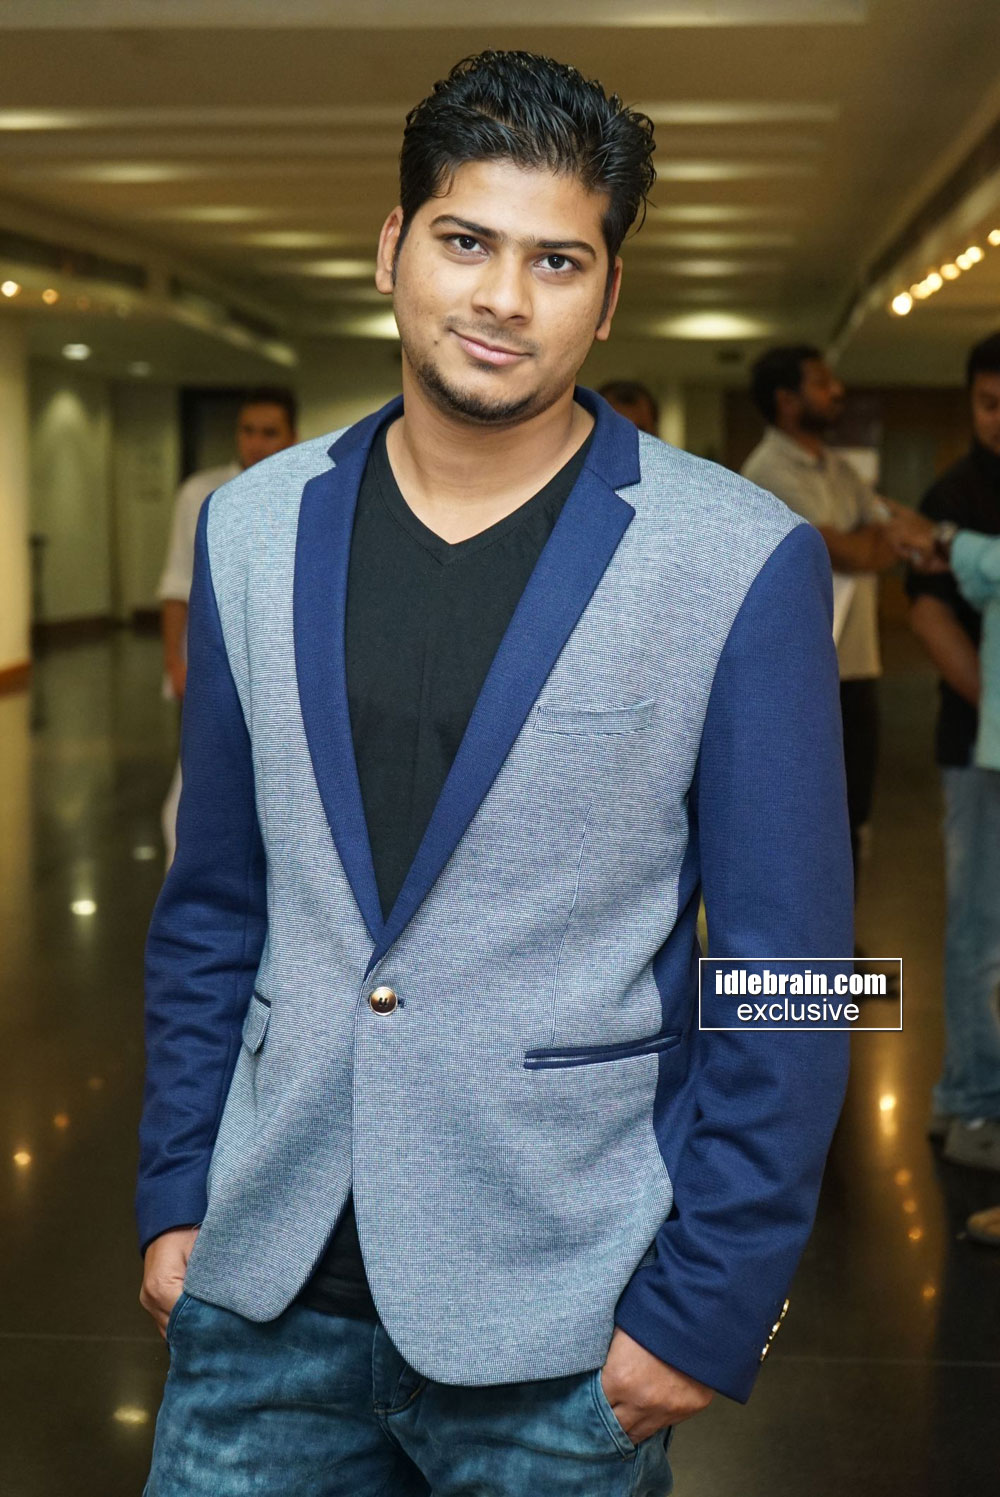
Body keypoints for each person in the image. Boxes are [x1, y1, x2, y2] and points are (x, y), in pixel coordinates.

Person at [137, 51, 852, 1497]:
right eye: (466, 241)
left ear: (610, 292)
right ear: (392, 248)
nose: (504, 297)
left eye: (556, 260)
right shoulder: (251, 529)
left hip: (565, 1308)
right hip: (260, 1289)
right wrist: (171, 1194)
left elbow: (797, 972)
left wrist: (712, 1307)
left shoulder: (737, 557)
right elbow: (213, 903)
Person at [741, 347, 936, 892]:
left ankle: (840, 933)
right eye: (822, 384)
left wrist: (874, 538)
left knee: (852, 814)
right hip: (803, 671)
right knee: (809, 822)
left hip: (856, 664)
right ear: (787, 400)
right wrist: (874, 541)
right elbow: (849, 552)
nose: (837, 392)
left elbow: (906, 529)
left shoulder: (836, 466)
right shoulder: (769, 470)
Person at [907, 342, 1000, 1171]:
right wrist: (994, 708)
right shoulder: (955, 493)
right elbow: (930, 616)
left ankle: (960, 1093)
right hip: (976, 746)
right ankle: (973, 1102)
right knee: (981, 929)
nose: (997, 419)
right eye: (987, 402)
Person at [156, 388, 298, 864]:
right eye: (247, 431)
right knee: (195, 784)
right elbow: (177, 582)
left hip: (281, 665)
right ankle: (189, 890)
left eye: (269, 432)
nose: (256, 442)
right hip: (212, 661)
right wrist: (174, 661)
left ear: (292, 435)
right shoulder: (201, 492)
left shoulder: (309, 487)